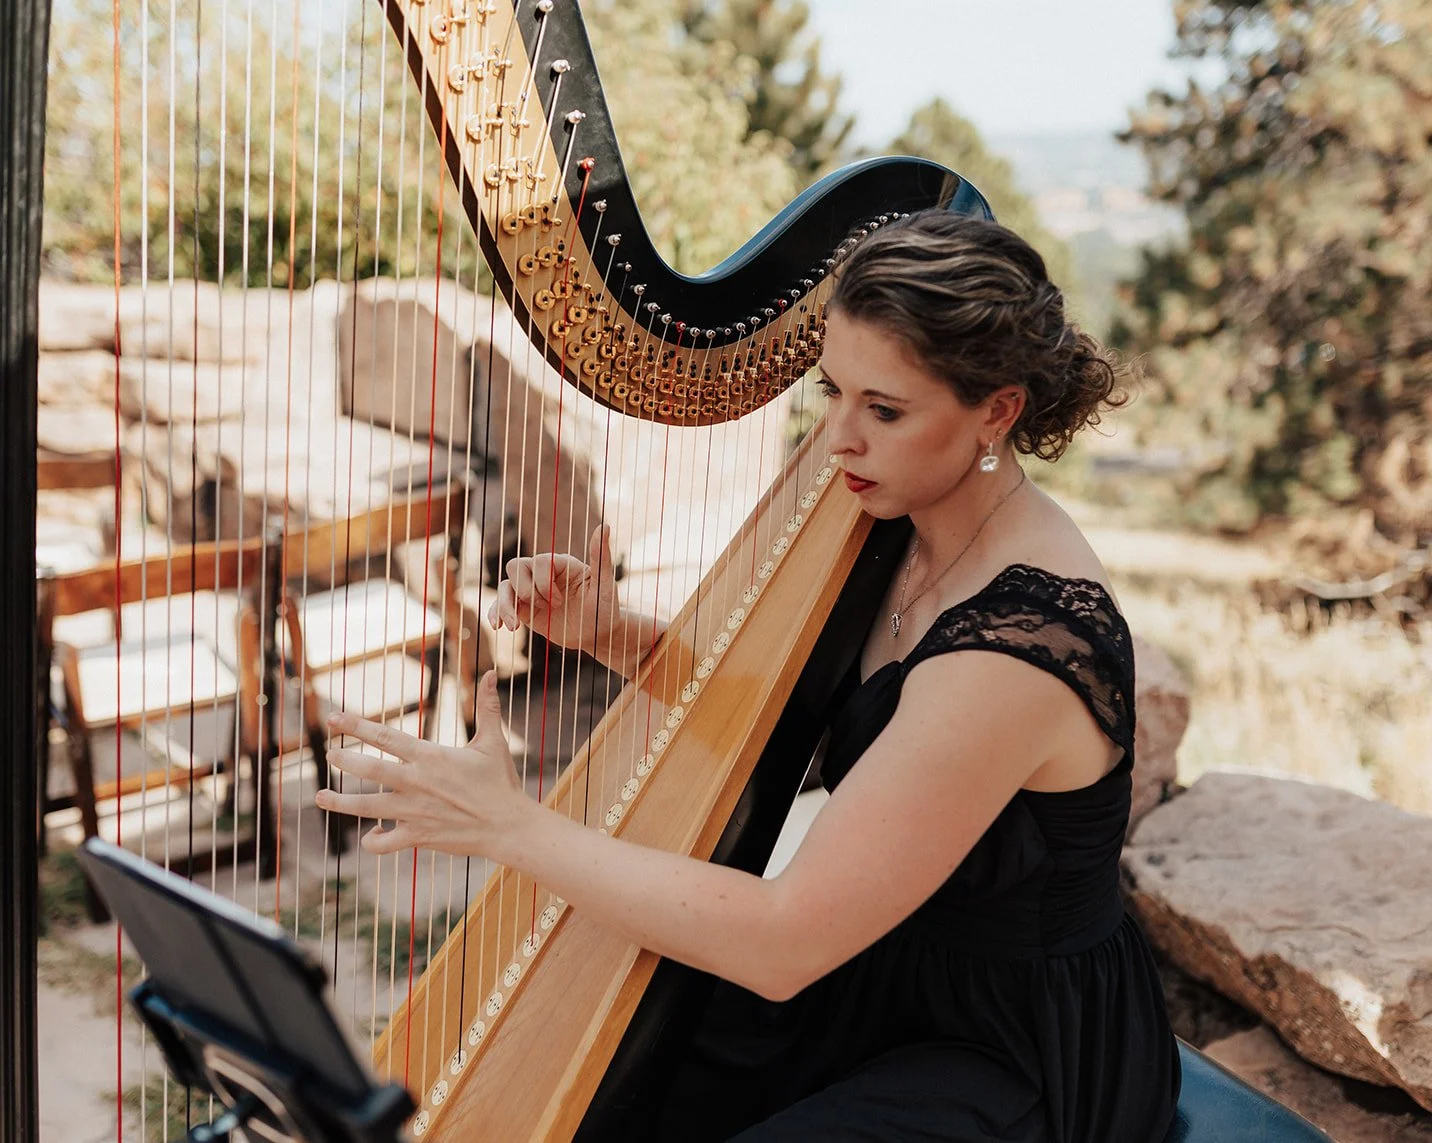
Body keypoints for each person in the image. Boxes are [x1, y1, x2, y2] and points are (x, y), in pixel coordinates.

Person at [316, 209, 1183, 1142]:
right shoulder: (900, 516)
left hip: (1013, 1046)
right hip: (888, 964)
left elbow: (781, 940)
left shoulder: (1018, 647)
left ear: (998, 410)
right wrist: (610, 633)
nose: (839, 438)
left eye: (883, 410)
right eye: (832, 392)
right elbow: (782, 701)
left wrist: (511, 825)